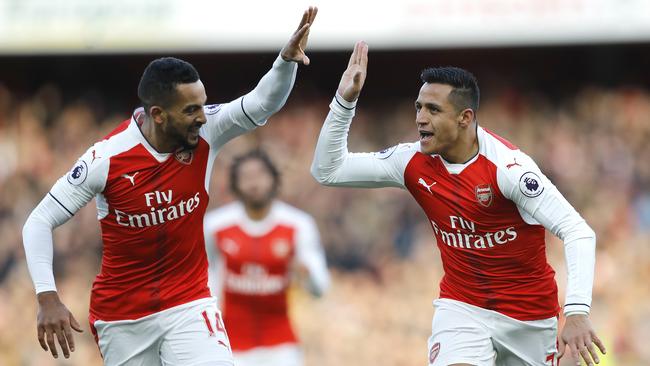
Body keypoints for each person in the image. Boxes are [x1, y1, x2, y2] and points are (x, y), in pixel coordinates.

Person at [21, 7, 318, 365]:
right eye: (190, 110)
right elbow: (38, 221)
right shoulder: (106, 159)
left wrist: (284, 63)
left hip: (189, 304)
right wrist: (47, 296)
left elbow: (262, 102)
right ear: (158, 114)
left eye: (203, 105)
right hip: (123, 318)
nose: (201, 116)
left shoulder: (208, 130)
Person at [310, 41, 606, 366]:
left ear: (465, 117)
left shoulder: (509, 170)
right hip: (462, 307)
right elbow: (328, 169)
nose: (421, 118)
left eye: (433, 110)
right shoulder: (411, 161)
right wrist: (344, 102)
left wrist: (577, 311)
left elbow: (577, 230)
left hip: (529, 318)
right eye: (418, 107)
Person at [203, 149, 330, 366]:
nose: (254, 183)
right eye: (246, 177)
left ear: (274, 179)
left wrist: (306, 274)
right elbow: (206, 279)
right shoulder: (215, 226)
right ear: (235, 185)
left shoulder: (298, 225)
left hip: (281, 345)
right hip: (231, 343)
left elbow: (321, 289)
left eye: (260, 175)